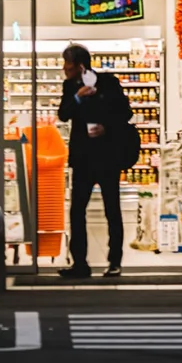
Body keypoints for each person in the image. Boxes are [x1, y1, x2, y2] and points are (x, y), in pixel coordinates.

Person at [57, 42, 133, 281]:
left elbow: (126, 113)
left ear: (79, 66)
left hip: (108, 155)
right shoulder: (70, 86)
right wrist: (77, 98)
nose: (64, 68)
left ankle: (114, 263)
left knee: (113, 210)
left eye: (67, 64)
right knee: (77, 210)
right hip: (82, 158)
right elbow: (63, 114)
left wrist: (106, 127)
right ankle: (80, 263)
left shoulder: (109, 83)